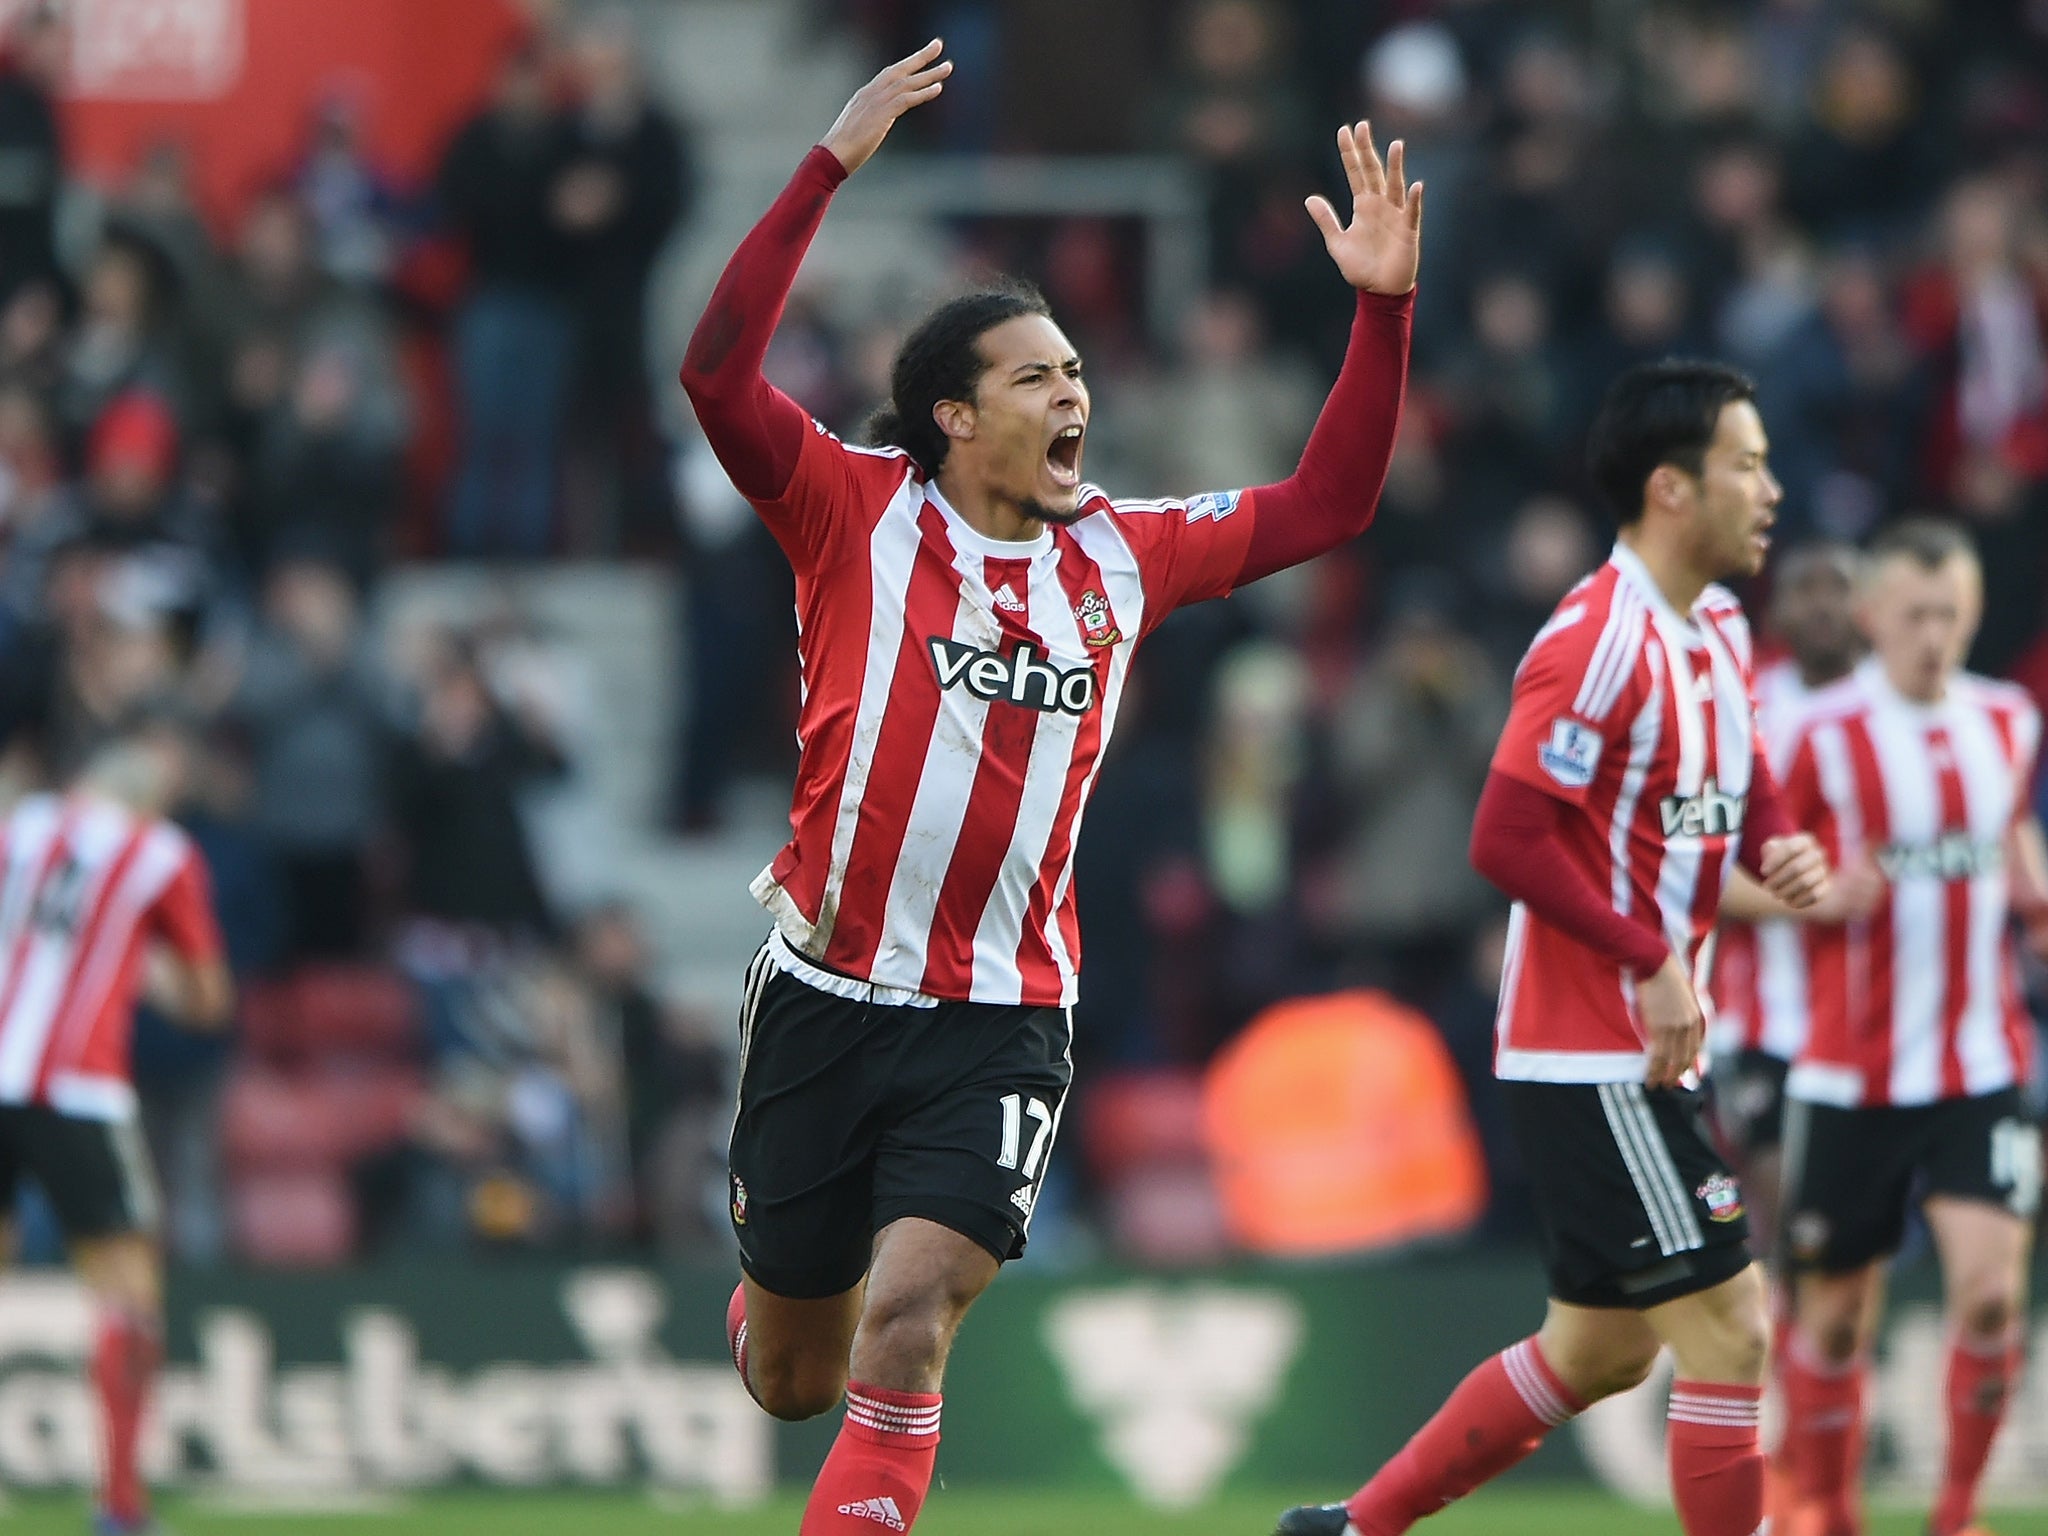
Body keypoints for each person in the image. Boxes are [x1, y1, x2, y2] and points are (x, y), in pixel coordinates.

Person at [681, 40, 1419, 1535]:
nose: (1073, 394)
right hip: (826, 990)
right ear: (954, 414)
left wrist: (1383, 307)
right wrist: (827, 163)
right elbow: (713, 373)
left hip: (1004, 1009)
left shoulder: (1125, 554)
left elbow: (1330, 502)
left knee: (910, 1326)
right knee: (797, 1382)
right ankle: (772, 1314)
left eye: (1077, 371)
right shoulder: (849, 509)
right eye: (1036, 376)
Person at [1275, 360, 1832, 1536]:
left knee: (1597, 1349)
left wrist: (1776, 840)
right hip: (1590, 1048)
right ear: (1672, 491)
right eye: (1745, 464)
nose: (1769, 489)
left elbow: (1747, 768)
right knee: (1732, 1327)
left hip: (1646, 1041)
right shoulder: (1593, 642)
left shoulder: (1719, 625)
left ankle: (1351, 1528)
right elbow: (1505, 836)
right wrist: (1648, 953)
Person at [1772, 519, 2047, 1536]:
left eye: (1951, 614)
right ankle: (1832, 1511)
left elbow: (2010, 827)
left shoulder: (2007, 719)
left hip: (1980, 1062)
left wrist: (2034, 899)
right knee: (1836, 1319)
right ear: (1869, 615)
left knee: (1988, 1298)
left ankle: (1955, 1512)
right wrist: (1811, 891)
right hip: (1848, 1073)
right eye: (1915, 613)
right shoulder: (1819, 733)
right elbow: (1747, 866)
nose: (1934, 634)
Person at [0, 707, 232, 1535]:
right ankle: (122, 1509)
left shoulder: (19, 827)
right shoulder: (160, 854)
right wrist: (148, 973)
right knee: (128, 1299)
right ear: (157, 772)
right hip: (78, 1091)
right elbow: (210, 1002)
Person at [1709, 539, 1869, 1250]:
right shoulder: (1743, 709)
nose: (1824, 604)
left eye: (1839, 585)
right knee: (1781, 1218)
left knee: (1853, 1237)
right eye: (1806, 587)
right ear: (1776, 608)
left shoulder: (1907, 708)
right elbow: (1694, 869)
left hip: (1883, 1015)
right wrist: (1813, 900)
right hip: (1766, 1017)